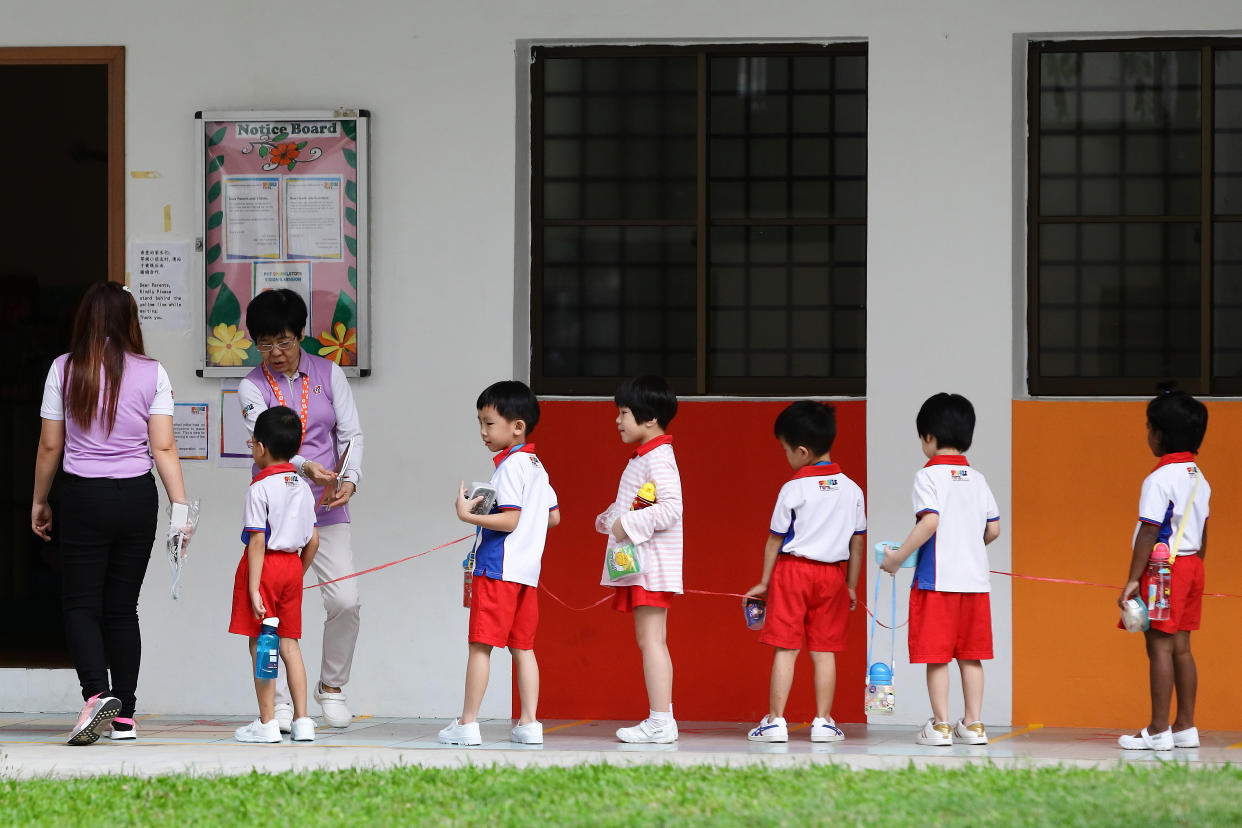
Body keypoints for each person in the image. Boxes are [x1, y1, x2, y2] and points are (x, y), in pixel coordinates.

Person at [31, 281, 188, 745]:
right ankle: (125, 716)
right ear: (129, 322)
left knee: (81, 604)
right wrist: (180, 507)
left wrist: (39, 500)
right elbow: (162, 446)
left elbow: (49, 445)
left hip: (83, 497)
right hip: (137, 497)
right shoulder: (153, 372)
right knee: (123, 608)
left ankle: (97, 695)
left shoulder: (64, 369)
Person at [238, 289, 364, 731]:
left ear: (303, 334)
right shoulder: (251, 385)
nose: (276, 353)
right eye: (265, 343)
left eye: (285, 342)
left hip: (325, 510)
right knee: (267, 613)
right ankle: (281, 709)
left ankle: (331, 687)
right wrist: (304, 466)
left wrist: (348, 479)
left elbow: (351, 434)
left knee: (346, 601)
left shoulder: (330, 374)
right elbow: (266, 441)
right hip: (276, 518)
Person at [439, 381, 559, 746]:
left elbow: (510, 520)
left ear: (517, 426)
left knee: (480, 646)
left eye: (489, 423)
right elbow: (553, 518)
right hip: (527, 574)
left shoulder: (509, 467)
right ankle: (529, 724)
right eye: (480, 422)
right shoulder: (537, 466)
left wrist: (468, 515)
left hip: (497, 568)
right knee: (524, 648)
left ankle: (468, 724)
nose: (483, 432)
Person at [880, 392, 1000, 746]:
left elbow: (929, 520)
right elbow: (993, 529)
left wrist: (897, 557)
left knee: (937, 657)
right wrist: (969, 547)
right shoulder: (977, 479)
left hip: (937, 583)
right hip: (975, 583)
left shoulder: (927, 476)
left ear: (928, 438)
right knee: (971, 655)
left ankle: (942, 725)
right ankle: (975, 725)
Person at [744, 401, 865, 743]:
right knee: (824, 652)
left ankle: (775, 721)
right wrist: (851, 586)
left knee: (786, 649)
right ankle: (824, 722)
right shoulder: (853, 490)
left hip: (792, 573)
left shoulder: (793, 488)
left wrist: (766, 582)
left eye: (785, 450)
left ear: (802, 451)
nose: (785, 456)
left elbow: (774, 540)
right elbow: (857, 544)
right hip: (833, 578)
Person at [1116, 386, 1210, 751]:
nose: (1148, 435)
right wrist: (1196, 569)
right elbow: (1204, 529)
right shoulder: (1197, 475)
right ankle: (1185, 725)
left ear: (1160, 434)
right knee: (1182, 647)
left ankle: (1158, 729)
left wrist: (1132, 580)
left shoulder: (1158, 479)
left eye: (1148, 427)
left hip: (1162, 571)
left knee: (1158, 648)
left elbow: (1149, 531)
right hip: (1192, 566)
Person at [595, 375, 683, 744]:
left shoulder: (658, 458)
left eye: (625, 412)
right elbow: (633, 505)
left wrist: (623, 523)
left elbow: (672, 508)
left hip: (651, 567)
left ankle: (660, 720)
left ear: (650, 419)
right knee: (652, 640)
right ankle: (662, 717)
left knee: (651, 642)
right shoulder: (647, 457)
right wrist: (608, 520)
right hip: (644, 565)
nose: (618, 420)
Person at [229, 406, 320, 743]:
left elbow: (256, 539)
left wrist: (254, 588)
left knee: (261, 643)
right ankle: (304, 719)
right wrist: (297, 572)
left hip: (264, 566)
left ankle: (267, 722)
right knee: (290, 644)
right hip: (292, 567)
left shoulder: (259, 488)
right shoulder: (303, 486)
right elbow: (314, 539)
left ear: (261, 448)